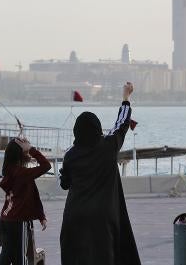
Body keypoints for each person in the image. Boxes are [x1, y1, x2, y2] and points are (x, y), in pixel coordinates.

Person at [59, 82, 141, 265]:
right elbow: (122, 124)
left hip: (75, 216)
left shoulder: (70, 155)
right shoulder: (108, 146)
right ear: (97, 129)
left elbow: (65, 183)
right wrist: (126, 98)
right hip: (103, 218)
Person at [0, 137, 51, 265]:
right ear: (20, 155)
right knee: (20, 260)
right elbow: (46, 166)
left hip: (6, 219)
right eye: (25, 151)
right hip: (18, 221)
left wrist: (41, 216)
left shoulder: (11, 171)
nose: (28, 154)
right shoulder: (21, 173)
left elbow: (32, 195)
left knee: (6, 257)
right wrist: (32, 150)